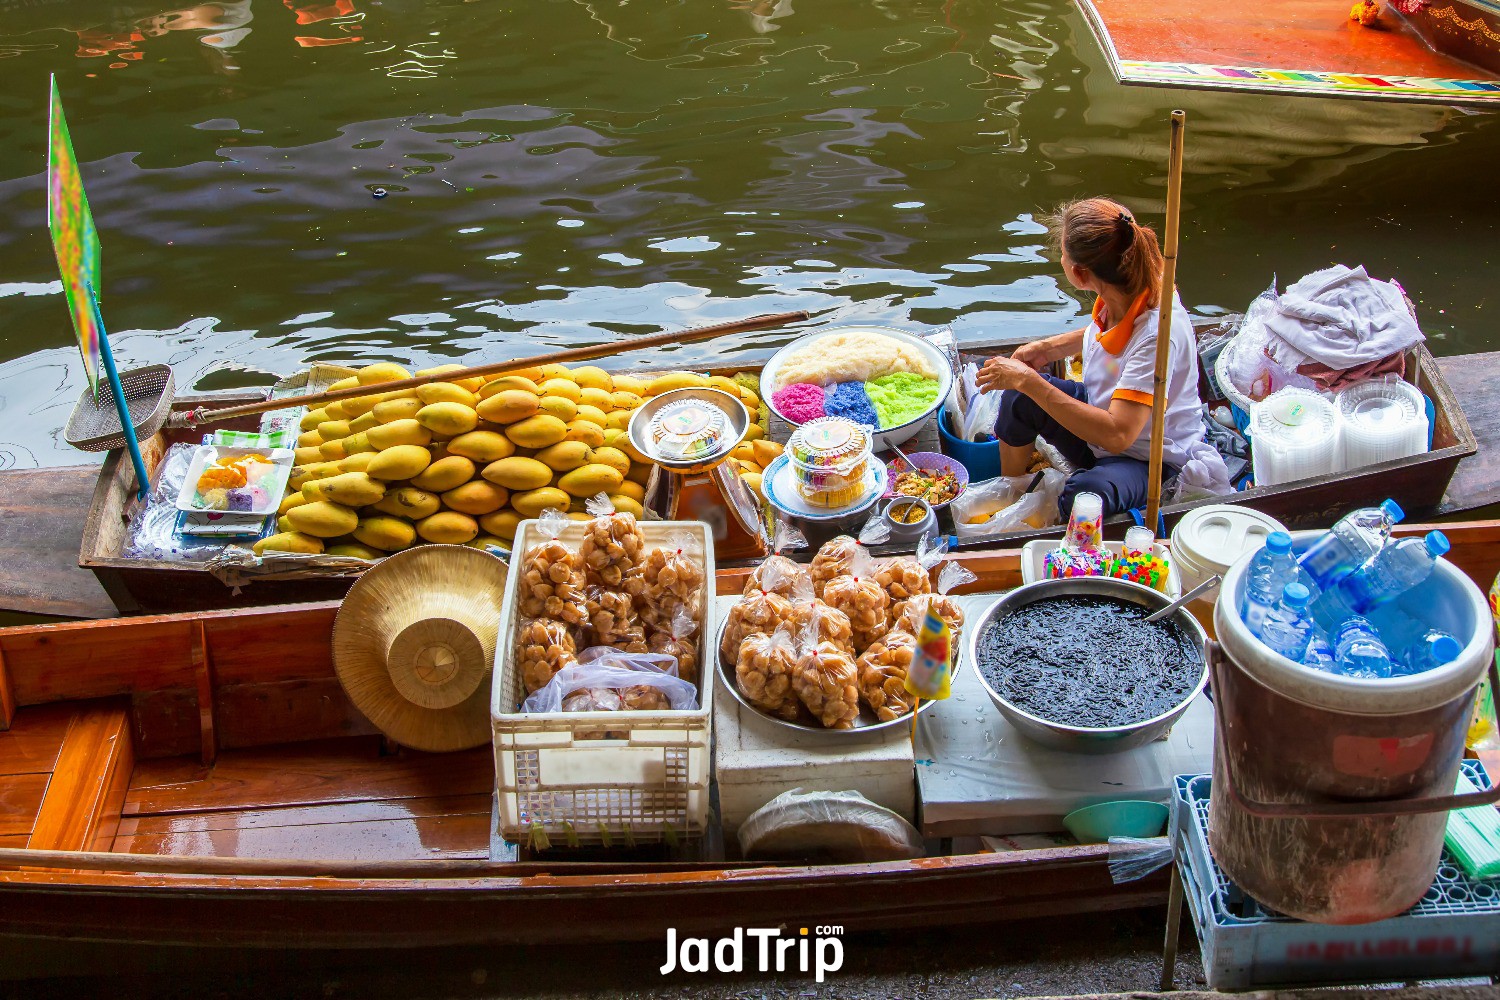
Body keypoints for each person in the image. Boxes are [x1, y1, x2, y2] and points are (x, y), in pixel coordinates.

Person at [977, 196, 1228, 519]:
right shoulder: (1131, 286)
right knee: (1018, 399)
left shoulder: (1158, 332)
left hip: (1146, 458)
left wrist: (1029, 379)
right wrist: (1050, 349)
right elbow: (1109, 336)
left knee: (1082, 499)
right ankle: (1010, 493)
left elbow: (1118, 435)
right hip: (1100, 410)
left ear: (1079, 274)